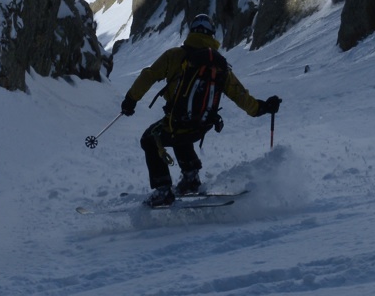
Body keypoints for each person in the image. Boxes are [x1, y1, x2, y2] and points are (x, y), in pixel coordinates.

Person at [120, 13, 282, 206]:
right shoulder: (220, 65)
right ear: (212, 35)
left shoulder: (174, 56)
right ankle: (191, 178)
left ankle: (163, 189)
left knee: (150, 139)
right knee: (181, 135)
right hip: (200, 126)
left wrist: (131, 100)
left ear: (192, 33)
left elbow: (149, 75)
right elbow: (240, 94)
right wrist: (261, 108)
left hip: (177, 123)